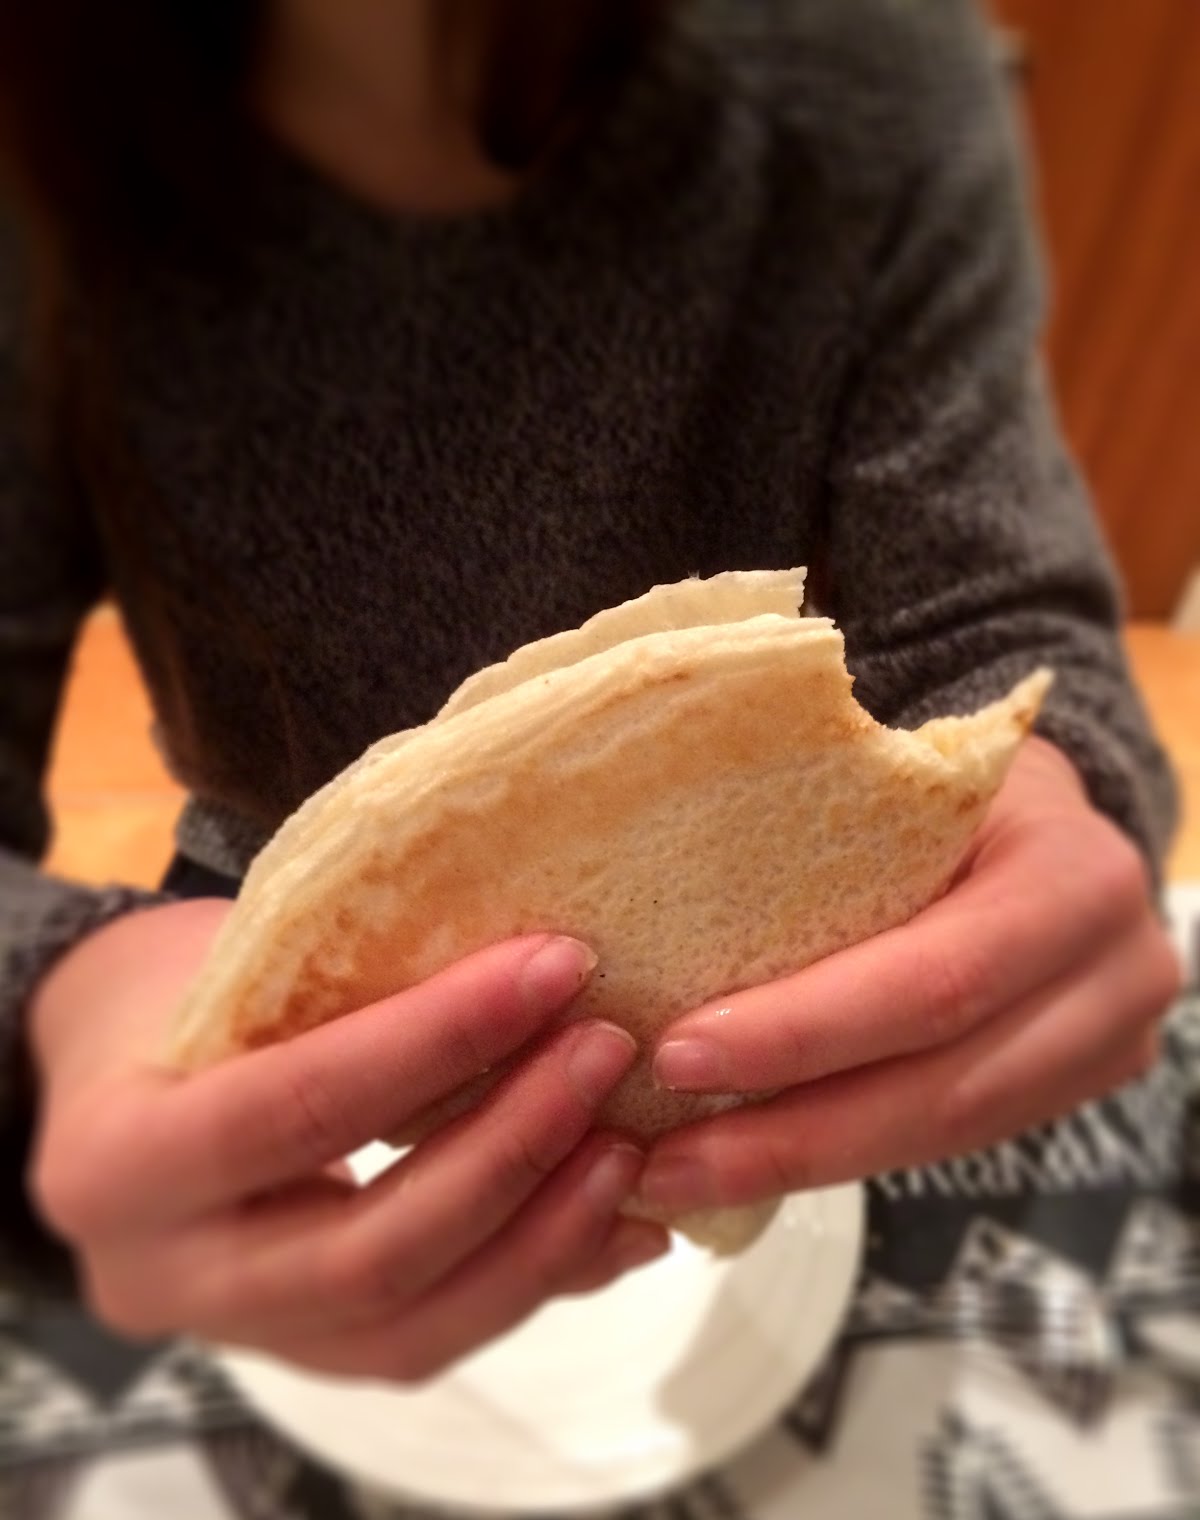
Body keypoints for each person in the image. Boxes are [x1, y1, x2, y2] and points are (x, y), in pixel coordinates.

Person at [0, 0, 1180, 1382]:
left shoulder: (867, 69)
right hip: (247, 920)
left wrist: (1059, 788)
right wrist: (55, 984)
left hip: (769, 954)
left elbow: (996, 633)